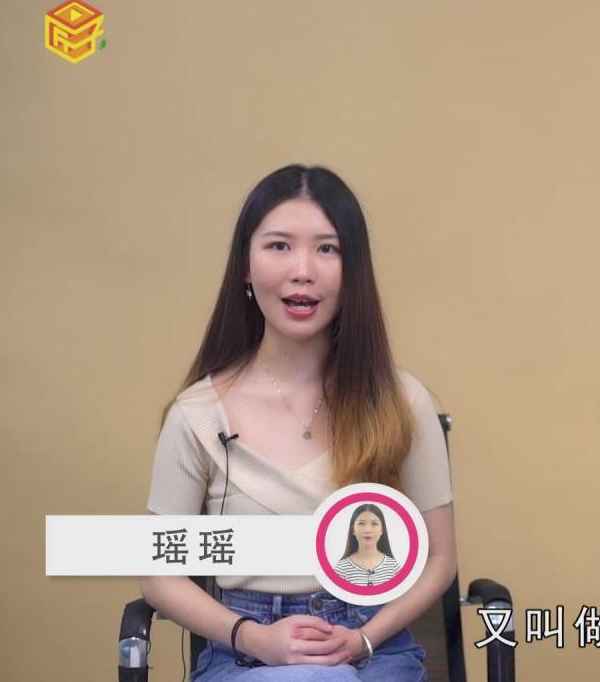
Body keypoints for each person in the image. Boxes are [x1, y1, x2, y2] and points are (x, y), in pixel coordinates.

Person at [139, 164, 457, 681]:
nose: (302, 270)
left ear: (353, 272)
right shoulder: (197, 415)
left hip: (376, 651)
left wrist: (363, 639)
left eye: (327, 249)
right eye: (279, 246)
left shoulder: (401, 402)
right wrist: (255, 637)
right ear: (246, 266)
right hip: (246, 657)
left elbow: (440, 559)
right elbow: (159, 576)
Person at [334, 504, 403, 586]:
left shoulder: (394, 567)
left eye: (374, 524)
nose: (367, 530)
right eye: (361, 523)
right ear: (353, 530)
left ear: (382, 530)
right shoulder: (341, 569)